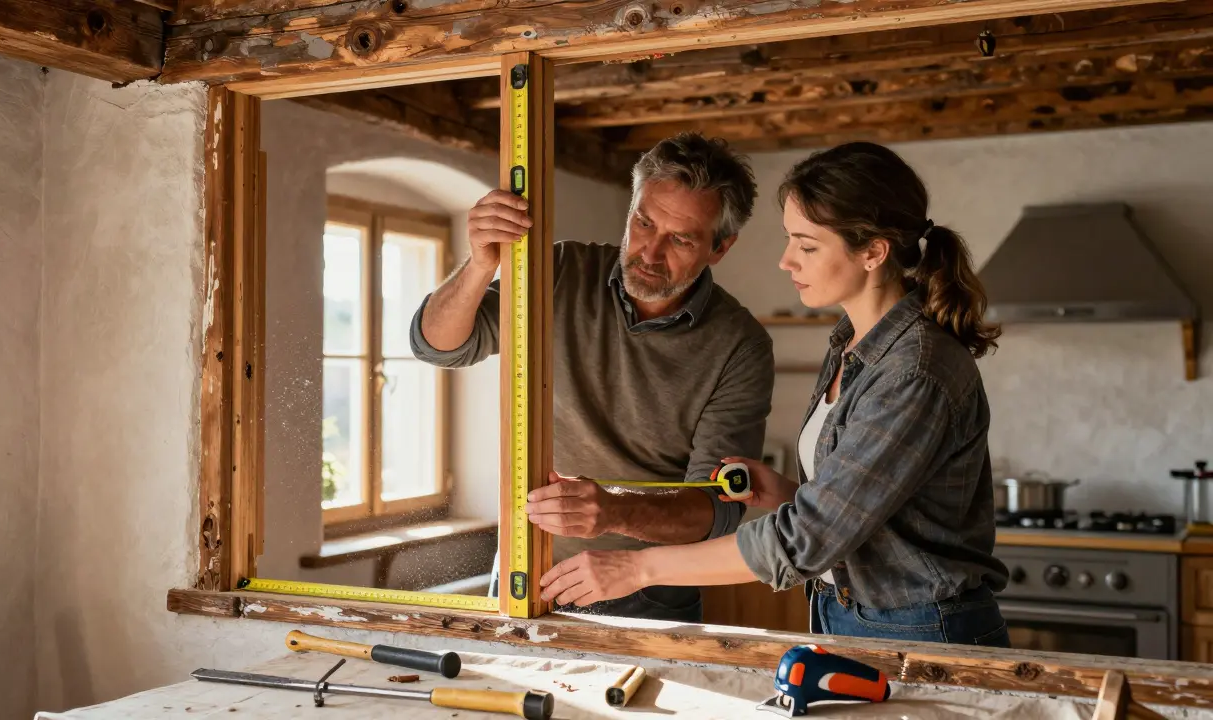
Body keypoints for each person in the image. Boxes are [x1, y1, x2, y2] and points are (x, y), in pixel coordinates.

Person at [537, 141, 1012, 647]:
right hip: (847, 613)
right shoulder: (850, 343)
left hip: (922, 629)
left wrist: (636, 569)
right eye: (790, 239)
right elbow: (860, 515)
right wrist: (785, 492)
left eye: (807, 245)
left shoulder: (914, 371)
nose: (786, 260)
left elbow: (805, 540)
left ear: (873, 251)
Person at [409, 133, 775, 622]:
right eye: (644, 223)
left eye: (681, 239)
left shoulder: (740, 345)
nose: (650, 251)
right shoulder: (559, 270)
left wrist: (617, 511)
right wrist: (480, 264)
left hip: (648, 593)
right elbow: (437, 346)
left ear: (720, 247)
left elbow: (718, 508)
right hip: (522, 575)